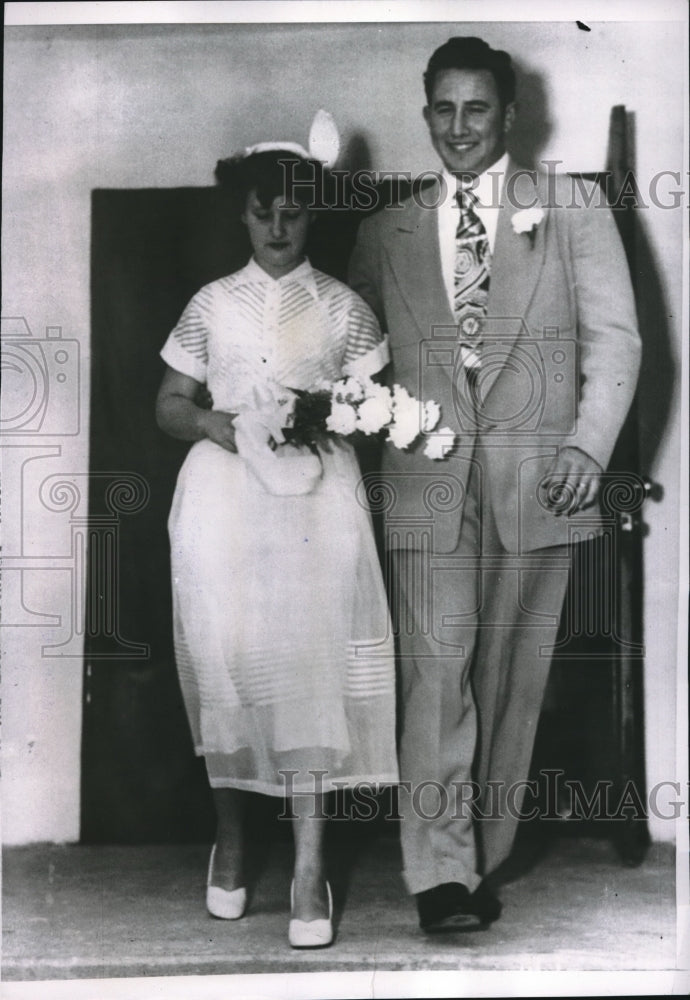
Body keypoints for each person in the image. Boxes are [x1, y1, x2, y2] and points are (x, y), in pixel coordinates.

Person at [349, 36, 641, 931]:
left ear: (509, 116)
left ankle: (483, 858)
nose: (460, 127)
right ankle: (439, 876)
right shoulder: (381, 230)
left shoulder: (572, 206)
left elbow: (616, 341)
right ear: (426, 112)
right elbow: (358, 360)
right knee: (436, 675)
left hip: (540, 483)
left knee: (513, 679)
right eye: (444, 108)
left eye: (478, 109)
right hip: (425, 483)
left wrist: (587, 452)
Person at [156, 144, 398, 948]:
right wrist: (212, 423)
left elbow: (380, 408)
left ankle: (307, 866)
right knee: (229, 666)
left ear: (314, 210)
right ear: (243, 212)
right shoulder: (211, 302)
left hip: (314, 504)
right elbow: (168, 403)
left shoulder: (344, 309)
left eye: (294, 209)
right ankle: (231, 840)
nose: (278, 225)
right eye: (263, 210)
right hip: (225, 501)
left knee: (309, 672)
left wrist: (329, 416)